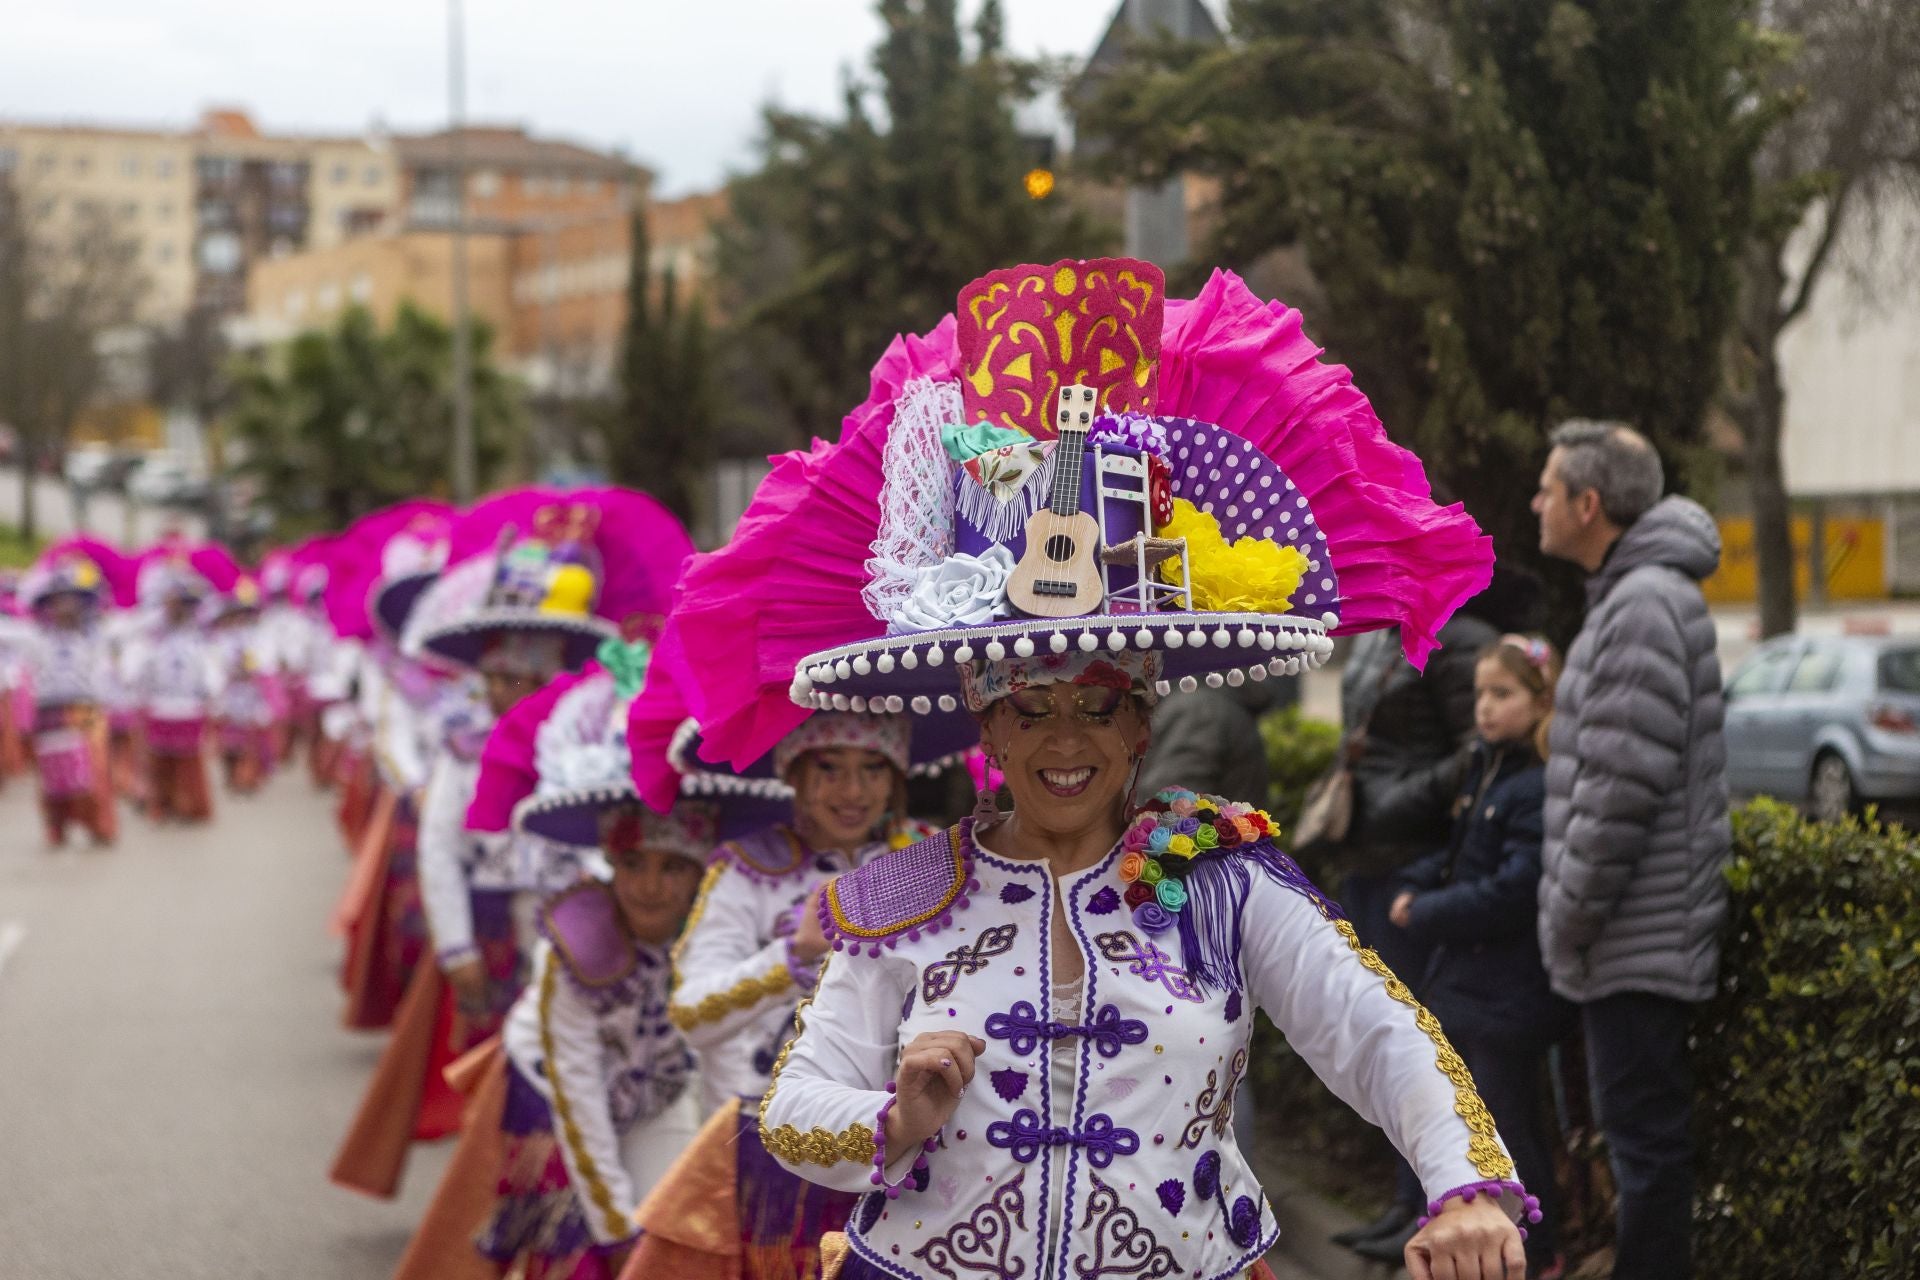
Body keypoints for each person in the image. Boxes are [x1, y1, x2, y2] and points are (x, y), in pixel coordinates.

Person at [658, 257, 1533, 1280]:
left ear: (1140, 726)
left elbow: (1373, 1030)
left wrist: (1465, 1184)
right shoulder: (902, 891)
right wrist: (893, 1113)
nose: (1064, 738)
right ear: (987, 729)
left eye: (1097, 704)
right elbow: (794, 1107)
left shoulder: (1221, 880)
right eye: (1031, 707)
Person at [619, 711, 939, 1280]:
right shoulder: (745, 871)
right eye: (829, 768)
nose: (853, 790)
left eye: (872, 768)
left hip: (903, 1152)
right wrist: (790, 956)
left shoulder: (933, 864)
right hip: (762, 1153)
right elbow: (691, 1013)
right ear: (792, 772)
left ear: (896, 776)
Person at [1532, 419, 1729, 1280]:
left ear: (1588, 503)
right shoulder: (1632, 595)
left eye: (1547, 488)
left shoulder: (1643, 603)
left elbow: (1618, 795)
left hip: (1631, 942)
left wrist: (1567, 919)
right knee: (1643, 1153)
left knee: (1648, 1160)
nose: (1534, 503)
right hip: (1628, 937)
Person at [1384, 636, 1574, 1277]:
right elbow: (1462, 856)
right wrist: (1415, 882)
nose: (1486, 707)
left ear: (1541, 701)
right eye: (1480, 693)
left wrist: (1432, 911)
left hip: (1509, 988)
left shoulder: (1535, 784)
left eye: (1503, 694)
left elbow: (1515, 890)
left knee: (1508, 1126)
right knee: (1470, 1122)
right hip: (1469, 981)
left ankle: (1541, 1250)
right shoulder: (1484, 766)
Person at [18, 554, 120, 846]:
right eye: (58, 599)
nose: (65, 606)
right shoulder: (35, 638)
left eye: (72, 598)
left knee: (95, 769)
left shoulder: (98, 635)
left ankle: (100, 826)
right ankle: (56, 828)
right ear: (48, 604)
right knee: (53, 773)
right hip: (49, 710)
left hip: (87, 709)